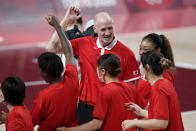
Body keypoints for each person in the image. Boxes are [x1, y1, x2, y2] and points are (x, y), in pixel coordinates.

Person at [46, 6, 140, 125]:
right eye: (103, 29)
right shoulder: (84, 43)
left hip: (112, 109)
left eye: (110, 28)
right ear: (95, 29)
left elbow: (130, 90)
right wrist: (65, 21)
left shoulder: (127, 53)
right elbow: (51, 47)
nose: (107, 33)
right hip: (86, 109)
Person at [57, 54, 136, 131]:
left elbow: (96, 124)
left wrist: (69, 129)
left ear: (103, 72)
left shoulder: (104, 91)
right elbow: (144, 110)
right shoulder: (131, 87)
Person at [30, 15, 79, 130]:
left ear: (44, 74)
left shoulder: (43, 97)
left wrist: (10, 117)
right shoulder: (72, 79)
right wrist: (57, 26)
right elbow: (68, 53)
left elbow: (30, 122)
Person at [122, 51, 184, 131]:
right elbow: (161, 116)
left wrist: (134, 123)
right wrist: (141, 111)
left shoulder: (158, 88)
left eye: (141, 64)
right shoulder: (165, 83)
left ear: (147, 67)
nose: (139, 67)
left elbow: (162, 123)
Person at [136, 33, 176, 109]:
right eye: (140, 48)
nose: (140, 52)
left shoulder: (165, 75)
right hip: (145, 119)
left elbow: (160, 109)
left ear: (158, 50)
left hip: (153, 119)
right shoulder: (146, 69)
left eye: (146, 50)